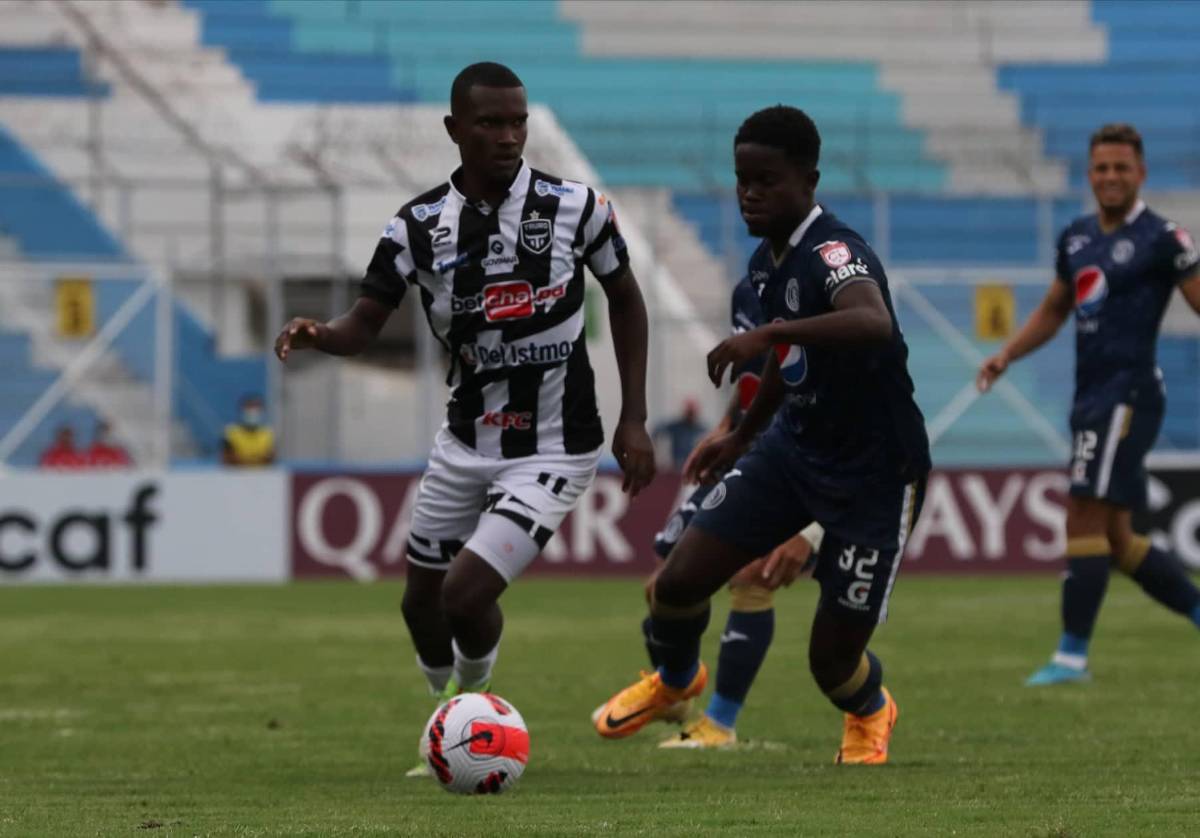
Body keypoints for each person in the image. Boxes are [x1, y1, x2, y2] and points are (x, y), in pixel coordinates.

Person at [273, 63, 655, 772]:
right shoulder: (417, 226)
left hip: (555, 442)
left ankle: (466, 717)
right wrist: (321, 335)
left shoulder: (575, 207)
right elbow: (364, 322)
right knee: (421, 607)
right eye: (490, 123)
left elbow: (628, 299)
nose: (509, 137)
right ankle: (451, 714)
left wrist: (634, 417)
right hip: (465, 438)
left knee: (465, 593)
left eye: (518, 122)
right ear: (454, 129)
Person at [592, 105, 930, 765]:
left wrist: (771, 331)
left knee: (831, 661)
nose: (750, 193)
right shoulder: (765, 262)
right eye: (742, 179)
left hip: (875, 474)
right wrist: (742, 435)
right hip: (793, 452)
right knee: (677, 583)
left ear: (809, 180)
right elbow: (788, 363)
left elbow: (872, 322)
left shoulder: (834, 252)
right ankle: (677, 677)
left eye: (767, 180)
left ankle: (869, 708)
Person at [977, 123, 1200, 686]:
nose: (1110, 177)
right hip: (1090, 397)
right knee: (1119, 539)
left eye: (1121, 167)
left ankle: (1071, 657)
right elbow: (1055, 309)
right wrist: (1007, 353)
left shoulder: (1164, 238)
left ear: (1141, 173)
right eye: (1101, 167)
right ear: (1089, 173)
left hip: (1129, 395)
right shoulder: (1076, 238)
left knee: (1082, 513)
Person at [602, 273, 827, 749]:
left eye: (762, 190)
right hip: (741, 447)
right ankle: (676, 691)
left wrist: (811, 526)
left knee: (751, 580)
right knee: (663, 587)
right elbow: (760, 374)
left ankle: (719, 725)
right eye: (745, 190)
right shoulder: (748, 287)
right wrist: (728, 423)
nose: (750, 196)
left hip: (792, 457)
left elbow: (820, 380)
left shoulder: (819, 281)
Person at [652, 398, 707, 469]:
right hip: (677, 465)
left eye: (692, 413)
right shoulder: (675, 427)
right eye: (689, 413)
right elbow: (657, 430)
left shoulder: (700, 429)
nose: (690, 415)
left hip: (693, 464)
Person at [221, 395, 275, 467]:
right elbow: (226, 458)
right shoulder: (231, 432)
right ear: (242, 410)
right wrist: (255, 460)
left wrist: (245, 460)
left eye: (256, 409)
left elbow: (271, 458)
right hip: (235, 475)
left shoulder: (268, 432)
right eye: (249, 408)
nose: (252, 413)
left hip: (262, 475)